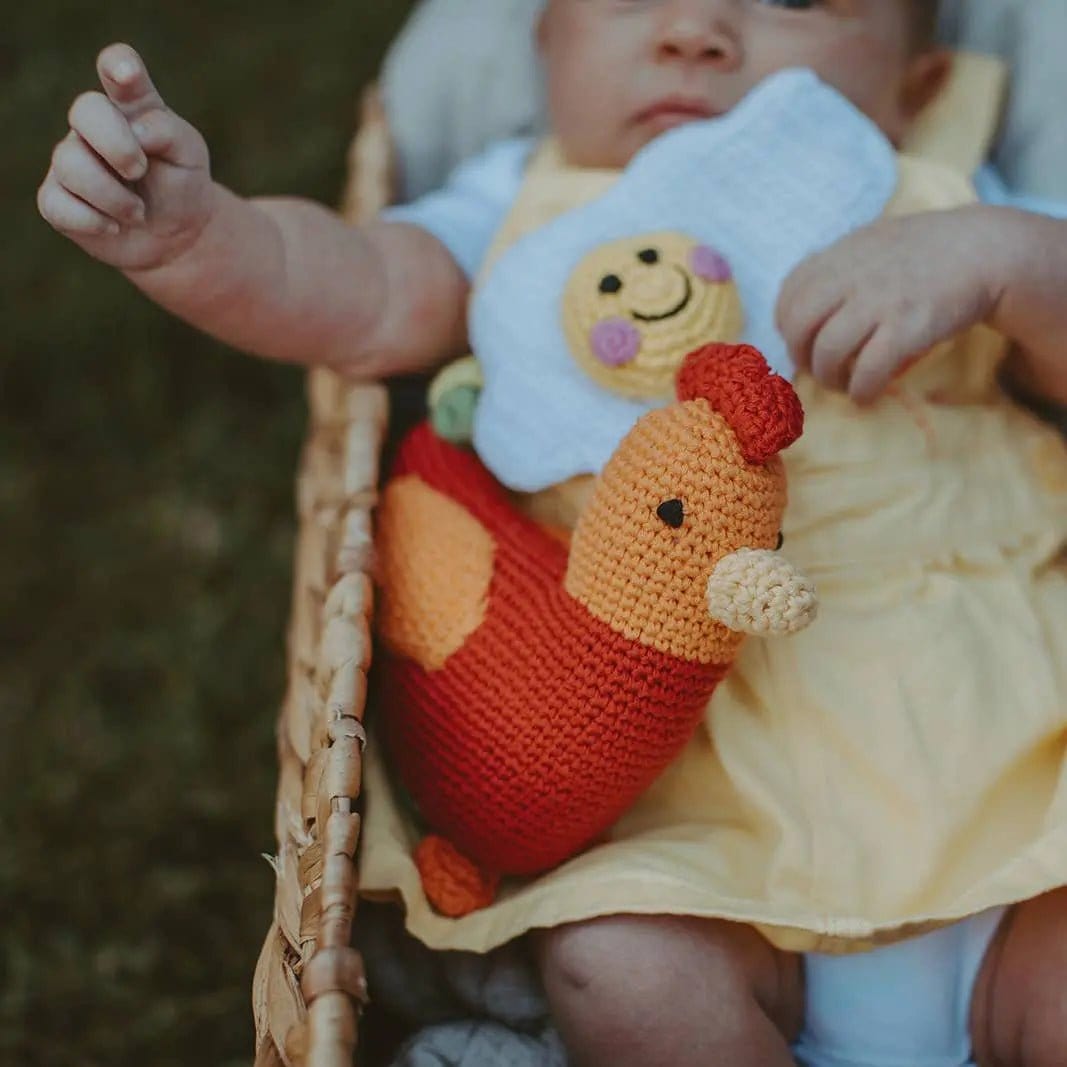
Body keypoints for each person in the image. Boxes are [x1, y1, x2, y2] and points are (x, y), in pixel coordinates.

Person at [37, 2, 1067, 1065]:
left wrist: (1005, 259)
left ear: (919, 84)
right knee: (617, 962)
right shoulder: (520, 207)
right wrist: (203, 236)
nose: (695, 31)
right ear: (544, 42)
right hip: (702, 863)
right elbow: (357, 292)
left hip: (1015, 812)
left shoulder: (935, 192)